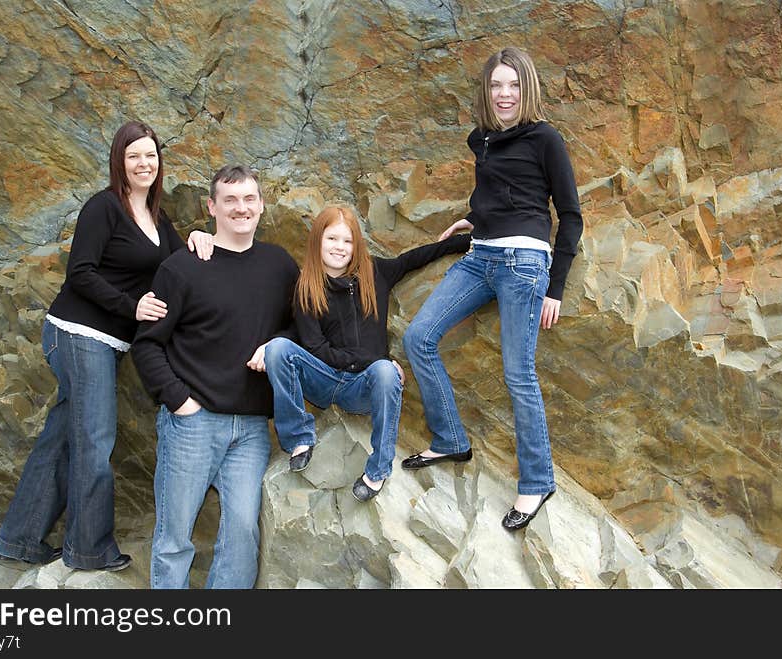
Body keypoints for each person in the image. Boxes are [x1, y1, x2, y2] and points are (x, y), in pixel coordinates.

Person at [0, 120, 214, 570]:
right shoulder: (104, 208)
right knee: (95, 439)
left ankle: (19, 538)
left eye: (150, 155)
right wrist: (132, 307)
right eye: (134, 155)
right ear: (119, 161)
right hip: (76, 332)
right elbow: (81, 273)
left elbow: (177, 264)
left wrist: (198, 236)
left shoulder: (156, 215)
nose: (143, 163)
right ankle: (88, 548)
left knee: (63, 438)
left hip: (104, 343)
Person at [401, 47, 583, 531]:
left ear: (527, 89)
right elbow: (499, 193)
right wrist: (474, 218)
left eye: (513, 85)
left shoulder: (547, 139)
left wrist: (555, 288)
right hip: (479, 256)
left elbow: (569, 215)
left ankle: (538, 480)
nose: (504, 94)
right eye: (496, 85)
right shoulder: (481, 139)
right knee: (417, 338)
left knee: (517, 373)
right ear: (486, 91)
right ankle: (450, 440)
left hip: (524, 262)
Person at [131, 164, 299, 589]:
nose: (241, 209)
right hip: (193, 422)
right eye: (230, 200)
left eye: (248, 199)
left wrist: (274, 344)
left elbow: (304, 325)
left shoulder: (280, 265)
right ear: (212, 207)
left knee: (243, 534)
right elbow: (148, 344)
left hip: (252, 428)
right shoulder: (182, 268)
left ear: (261, 205)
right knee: (174, 537)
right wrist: (180, 403)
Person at [263, 206, 470, 501]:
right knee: (278, 349)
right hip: (322, 382)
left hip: (362, 389)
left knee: (385, 372)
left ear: (356, 244)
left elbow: (417, 257)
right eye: (332, 239)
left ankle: (377, 471)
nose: (339, 247)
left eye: (347, 241)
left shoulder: (375, 273)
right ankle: (298, 438)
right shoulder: (306, 288)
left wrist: (470, 242)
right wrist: (373, 360)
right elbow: (315, 349)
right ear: (317, 241)